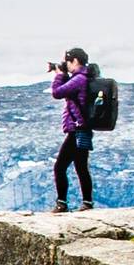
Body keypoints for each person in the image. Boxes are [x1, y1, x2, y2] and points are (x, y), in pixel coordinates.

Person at [47, 49, 98, 212]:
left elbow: (57, 93)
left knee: (60, 167)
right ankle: (87, 203)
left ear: (75, 61)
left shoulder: (79, 79)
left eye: (67, 62)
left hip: (76, 130)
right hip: (83, 129)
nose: (66, 65)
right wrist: (63, 73)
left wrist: (59, 75)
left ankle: (61, 203)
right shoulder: (86, 77)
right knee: (81, 167)